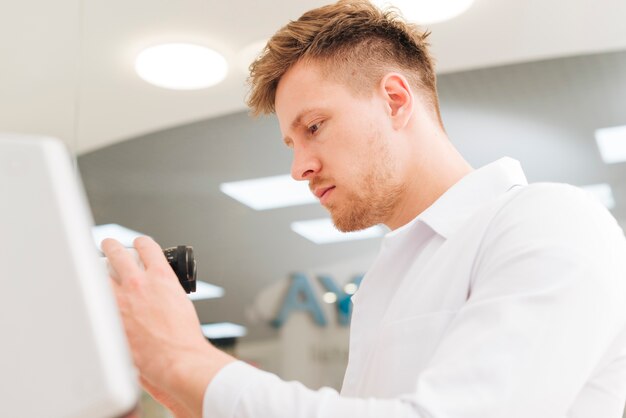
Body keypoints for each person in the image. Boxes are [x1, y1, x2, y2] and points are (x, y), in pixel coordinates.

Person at [102, 1, 626, 417]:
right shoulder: (386, 282)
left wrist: (185, 362)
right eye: (291, 143)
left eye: (314, 127)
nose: (299, 168)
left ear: (395, 100)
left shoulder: (551, 219)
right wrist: (185, 396)